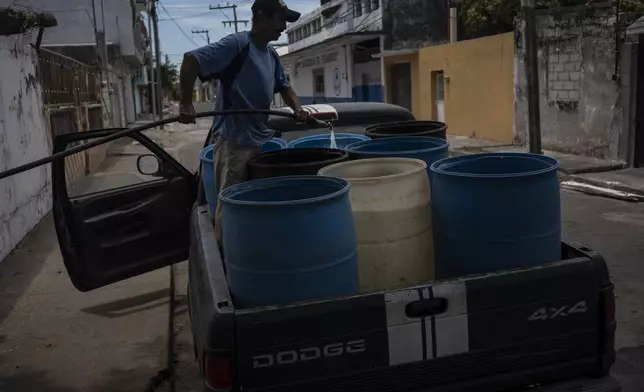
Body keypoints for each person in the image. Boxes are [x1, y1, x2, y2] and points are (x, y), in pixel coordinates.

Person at [178, 0, 310, 246]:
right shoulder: (237, 45)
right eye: (280, 20)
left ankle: (249, 252)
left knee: (253, 210)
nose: (283, 27)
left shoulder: (270, 53)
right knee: (231, 209)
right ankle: (225, 264)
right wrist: (185, 102)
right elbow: (190, 60)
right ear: (260, 15)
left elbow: (284, 86)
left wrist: (298, 108)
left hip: (260, 141)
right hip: (234, 145)